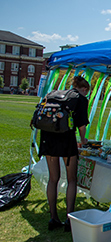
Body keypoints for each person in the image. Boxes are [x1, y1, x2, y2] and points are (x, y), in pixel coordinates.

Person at [39, 76, 90, 231]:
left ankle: (53, 217)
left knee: (53, 179)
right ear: (85, 89)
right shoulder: (80, 99)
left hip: (48, 138)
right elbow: (81, 124)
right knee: (71, 179)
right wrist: (83, 139)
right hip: (66, 140)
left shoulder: (55, 94)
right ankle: (69, 218)